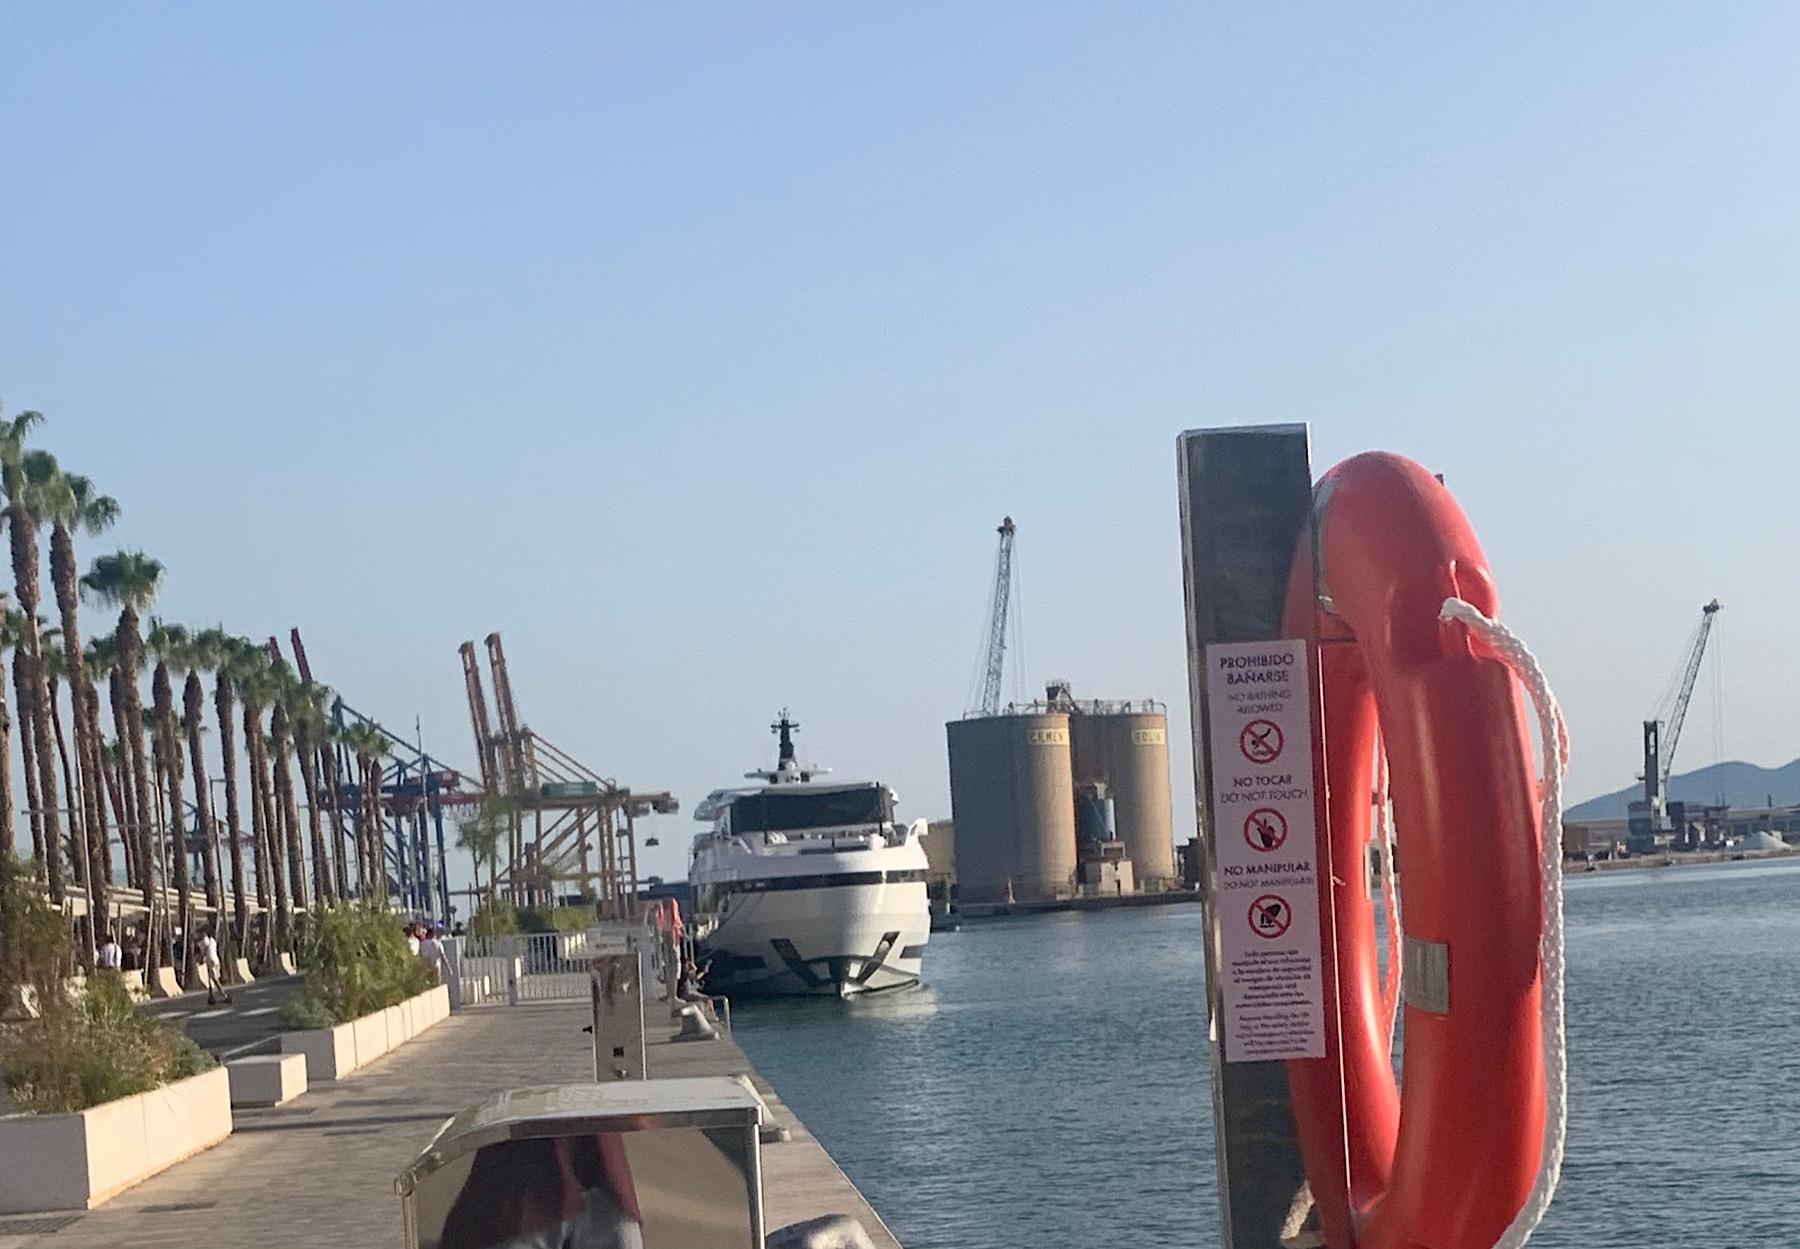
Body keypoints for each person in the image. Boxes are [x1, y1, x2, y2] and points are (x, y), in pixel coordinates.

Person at [198, 925, 232, 1005]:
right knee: (211, 979)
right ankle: (211, 996)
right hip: (216, 960)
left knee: (214, 979)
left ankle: (224, 995)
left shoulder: (203, 941)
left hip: (210, 961)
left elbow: (204, 951)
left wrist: (202, 958)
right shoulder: (212, 940)